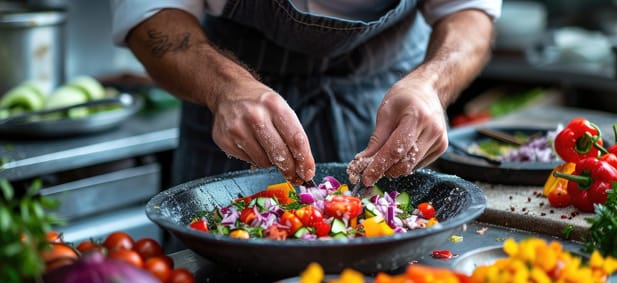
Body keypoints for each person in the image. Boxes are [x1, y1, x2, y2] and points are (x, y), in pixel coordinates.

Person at [110, 0, 501, 187]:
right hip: (228, 115)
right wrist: (225, 88)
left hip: (387, 104)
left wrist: (432, 83)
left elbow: (469, 12)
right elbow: (150, 16)